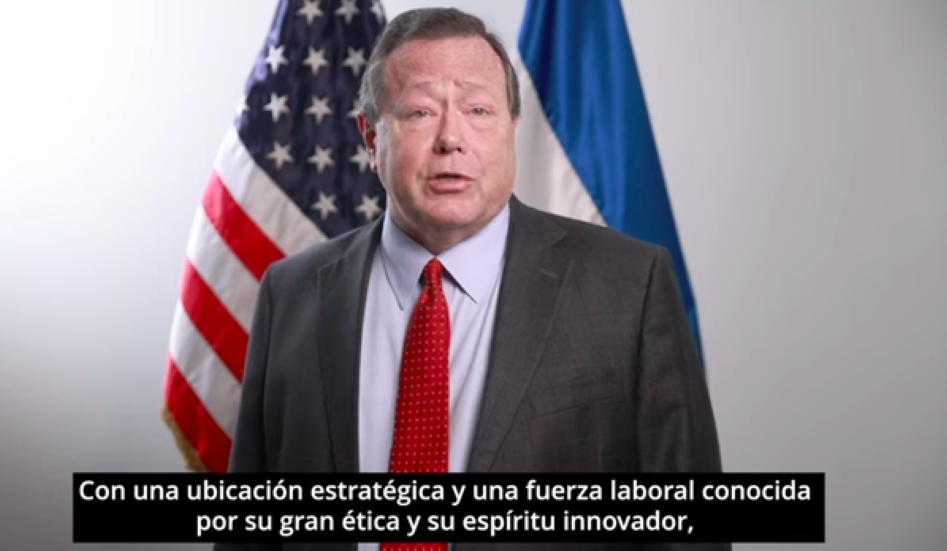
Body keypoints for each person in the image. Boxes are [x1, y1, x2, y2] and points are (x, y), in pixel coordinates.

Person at [220, 7, 725, 551]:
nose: (451, 139)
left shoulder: (630, 288)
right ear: (370, 138)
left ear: (512, 129)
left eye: (478, 110)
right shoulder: (291, 293)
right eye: (419, 112)